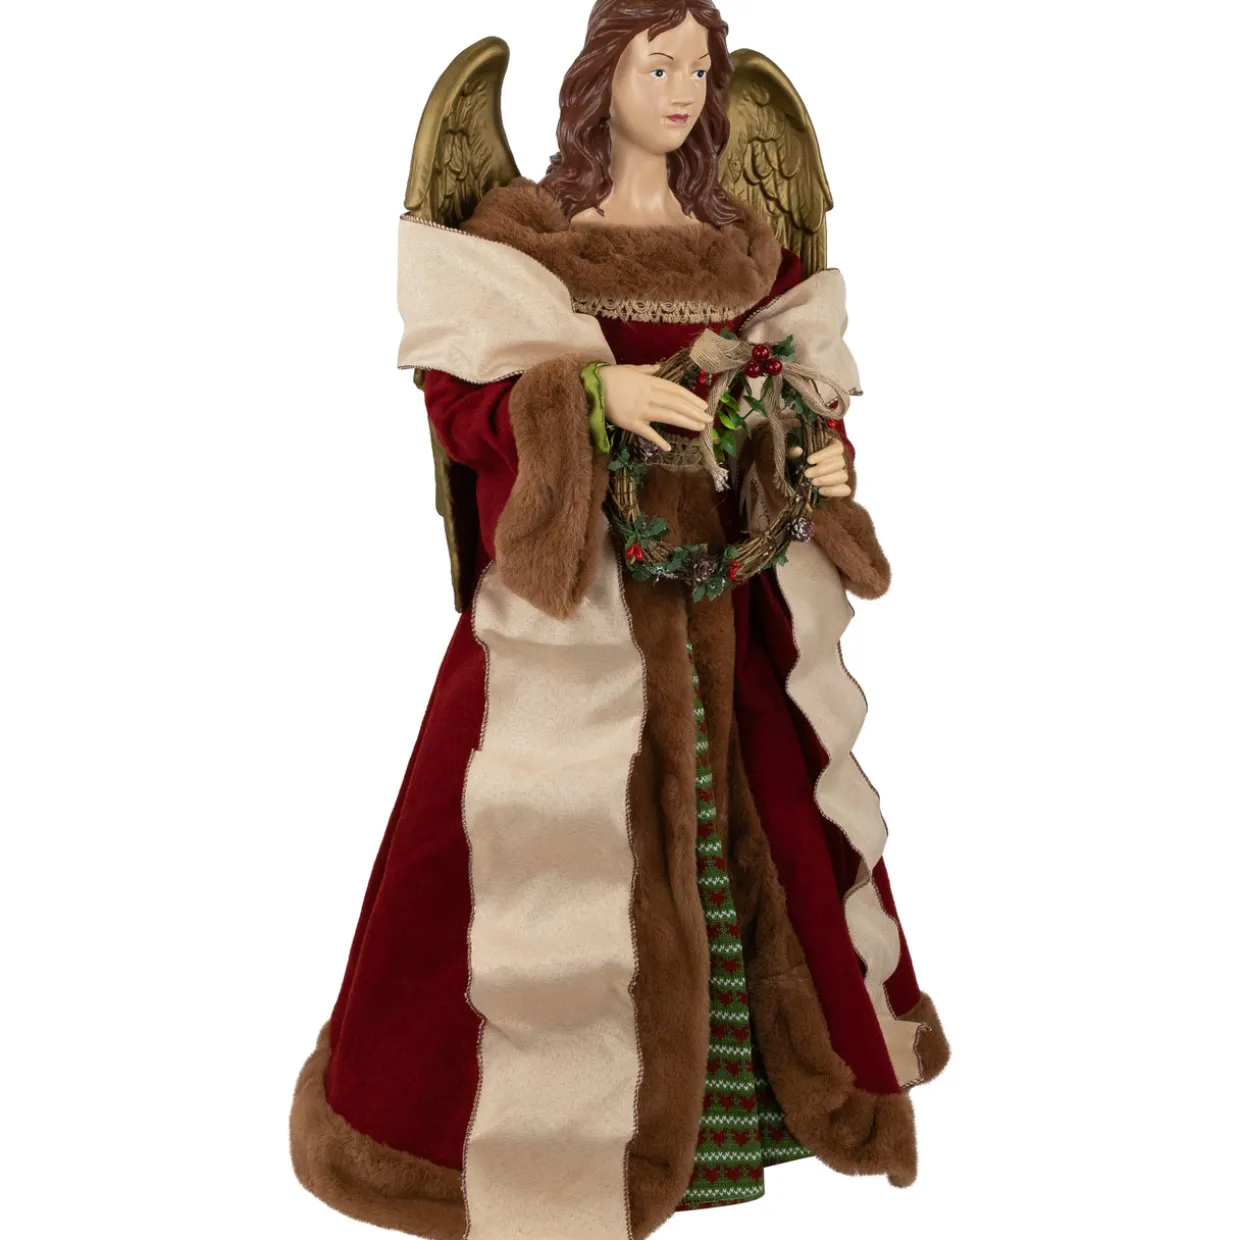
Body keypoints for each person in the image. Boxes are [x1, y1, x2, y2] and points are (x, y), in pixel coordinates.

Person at [289, 3, 948, 1237]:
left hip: (725, 606)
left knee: (751, 831)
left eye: (701, 67)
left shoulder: (743, 247)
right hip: (574, 619)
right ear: (606, 76)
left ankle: (739, 1111)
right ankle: (495, 1141)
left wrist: (818, 457)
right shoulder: (526, 244)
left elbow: (794, 397)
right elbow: (463, 403)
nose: (685, 90)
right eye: (660, 65)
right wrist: (591, 397)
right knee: (539, 860)